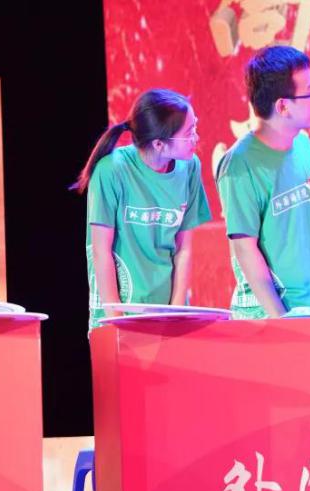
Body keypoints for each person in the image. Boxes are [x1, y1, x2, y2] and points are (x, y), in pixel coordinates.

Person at [72, 88, 212, 330]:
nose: (196, 138)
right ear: (159, 144)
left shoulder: (189, 168)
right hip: (120, 309)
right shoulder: (111, 170)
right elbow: (101, 251)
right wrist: (115, 318)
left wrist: (176, 312)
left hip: (167, 308)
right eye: (189, 133)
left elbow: (184, 249)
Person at [217, 45, 310, 319]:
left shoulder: (304, 146)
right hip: (271, 320)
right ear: (282, 106)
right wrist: (280, 318)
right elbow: (245, 248)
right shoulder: (239, 166)